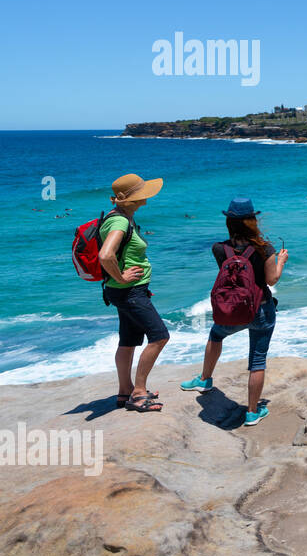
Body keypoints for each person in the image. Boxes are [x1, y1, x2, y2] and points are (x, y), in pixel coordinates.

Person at [180, 198, 288, 427]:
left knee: (216, 335)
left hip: (232, 310)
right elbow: (271, 280)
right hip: (261, 311)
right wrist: (281, 262)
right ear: (252, 220)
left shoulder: (219, 248)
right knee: (257, 361)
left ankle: (204, 379)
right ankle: (251, 412)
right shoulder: (265, 248)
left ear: (229, 222)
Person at [100, 174, 170, 412]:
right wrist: (121, 277)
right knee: (160, 336)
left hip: (122, 292)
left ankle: (124, 391)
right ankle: (139, 394)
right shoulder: (119, 222)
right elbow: (105, 255)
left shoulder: (117, 217)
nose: (147, 196)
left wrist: (117, 280)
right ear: (129, 199)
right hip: (129, 292)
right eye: (141, 193)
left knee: (128, 340)